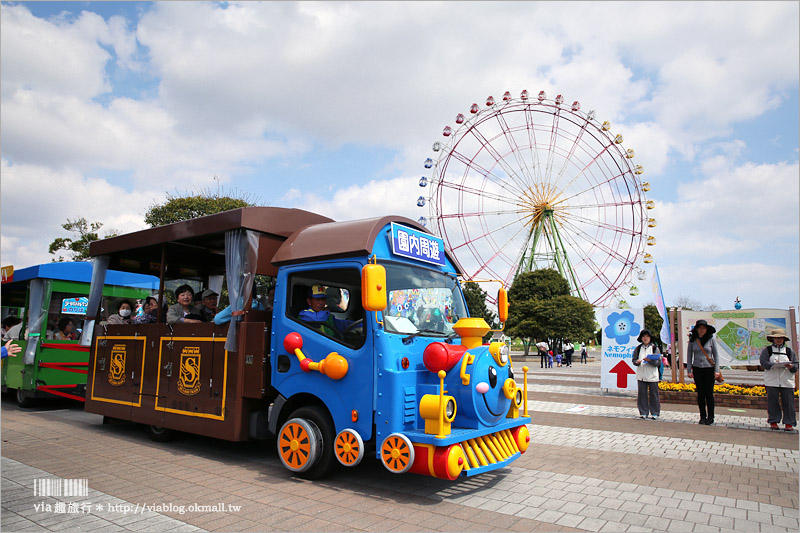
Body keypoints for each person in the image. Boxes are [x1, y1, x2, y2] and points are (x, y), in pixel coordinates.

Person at [759, 328, 798, 431]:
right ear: (772, 339)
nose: (778, 340)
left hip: (787, 381)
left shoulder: (789, 351)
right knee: (773, 402)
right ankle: (773, 421)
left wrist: (790, 366)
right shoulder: (767, 350)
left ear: (784, 339)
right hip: (772, 381)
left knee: (789, 403)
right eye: (776, 338)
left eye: (781, 338)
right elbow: (763, 363)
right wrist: (774, 365)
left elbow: (796, 365)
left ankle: (789, 424)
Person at [686, 319, 721, 425]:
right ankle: (702, 416)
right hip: (697, 368)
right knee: (700, 394)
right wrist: (689, 369)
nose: (702, 330)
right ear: (696, 329)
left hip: (709, 369)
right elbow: (689, 355)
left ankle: (711, 417)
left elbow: (716, 355)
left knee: (709, 393)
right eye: (700, 328)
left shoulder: (711, 340)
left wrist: (717, 370)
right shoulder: (693, 340)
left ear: (707, 329)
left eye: (704, 328)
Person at [632, 329, 662, 420]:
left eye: (647, 337)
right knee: (642, 395)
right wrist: (637, 362)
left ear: (650, 338)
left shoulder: (654, 348)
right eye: (644, 336)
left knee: (654, 394)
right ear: (641, 338)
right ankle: (643, 412)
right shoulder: (638, 348)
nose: (645, 338)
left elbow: (658, 362)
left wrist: (650, 361)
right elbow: (634, 360)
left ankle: (655, 413)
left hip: (652, 375)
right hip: (641, 375)